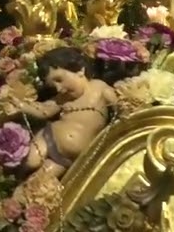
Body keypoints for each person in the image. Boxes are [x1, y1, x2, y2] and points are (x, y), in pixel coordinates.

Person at [21, 47, 117, 177]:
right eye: (53, 86)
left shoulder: (99, 88)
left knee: (40, 182)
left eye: (59, 80)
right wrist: (21, 105)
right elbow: (44, 110)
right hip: (49, 138)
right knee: (31, 161)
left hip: (68, 159)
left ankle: (19, 195)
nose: (59, 89)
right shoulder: (63, 99)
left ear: (80, 70)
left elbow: (120, 107)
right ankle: (10, 176)